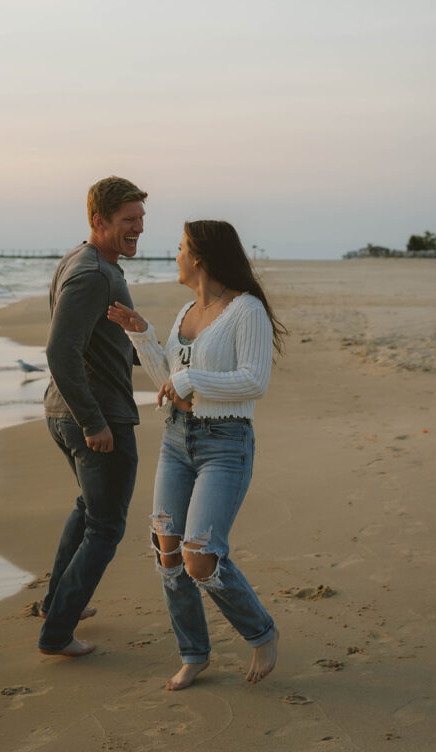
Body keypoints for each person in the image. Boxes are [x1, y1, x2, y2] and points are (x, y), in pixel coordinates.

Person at [107, 219, 285, 689]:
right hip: (176, 440)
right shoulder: (187, 310)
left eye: (182, 247)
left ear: (201, 259)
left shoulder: (247, 312)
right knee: (167, 551)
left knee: (200, 557)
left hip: (225, 445)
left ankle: (261, 632)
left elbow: (255, 381)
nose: (176, 254)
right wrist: (141, 334)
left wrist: (191, 381)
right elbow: (168, 377)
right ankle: (194, 652)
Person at [37, 176, 147, 657]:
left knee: (89, 508)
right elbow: (60, 351)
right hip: (94, 417)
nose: (138, 229)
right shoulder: (94, 274)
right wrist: (94, 422)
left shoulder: (84, 261)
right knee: (106, 527)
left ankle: (57, 604)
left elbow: (105, 343)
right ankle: (57, 633)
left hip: (66, 410)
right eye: (128, 220)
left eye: (141, 219)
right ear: (98, 221)